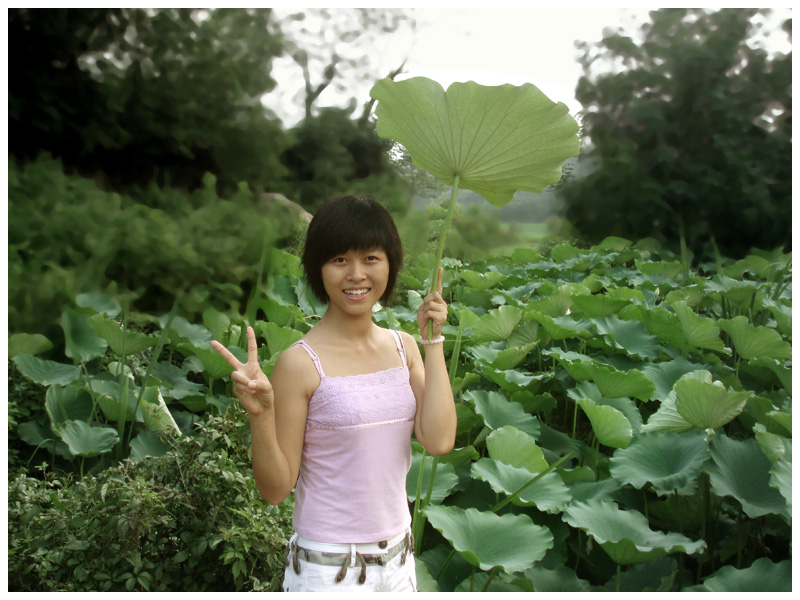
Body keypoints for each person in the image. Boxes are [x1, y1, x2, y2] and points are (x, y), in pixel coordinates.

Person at [211, 195, 457, 592]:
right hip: (328, 570)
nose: (356, 274)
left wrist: (434, 343)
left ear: (390, 264)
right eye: (340, 260)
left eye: (371, 258)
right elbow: (275, 491)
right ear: (318, 269)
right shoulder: (300, 363)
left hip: (398, 561)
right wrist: (260, 416)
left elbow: (440, 440)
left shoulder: (404, 347)